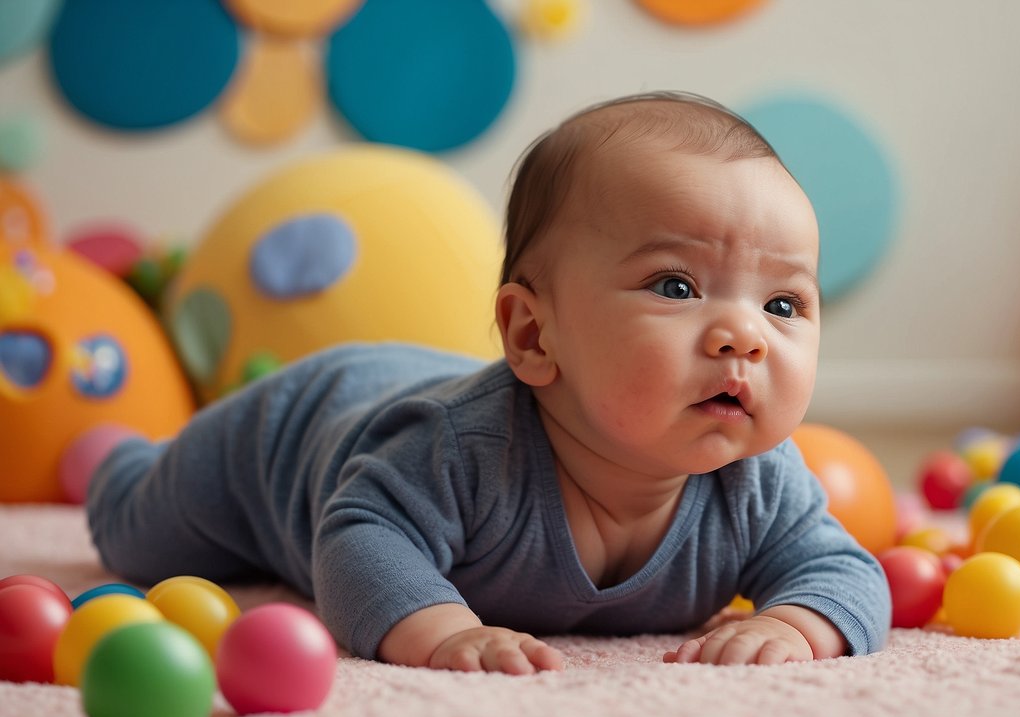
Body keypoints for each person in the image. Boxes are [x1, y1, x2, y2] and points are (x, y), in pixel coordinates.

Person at [87, 91, 892, 675]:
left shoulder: (759, 484)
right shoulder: (459, 452)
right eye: (676, 287)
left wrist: (796, 623)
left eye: (783, 303)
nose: (742, 334)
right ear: (534, 336)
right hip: (288, 432)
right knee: (137, 540)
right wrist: (440, 631)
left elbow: (847, 573)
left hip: (394, 392)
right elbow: (359, 537)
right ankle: (119, 464)